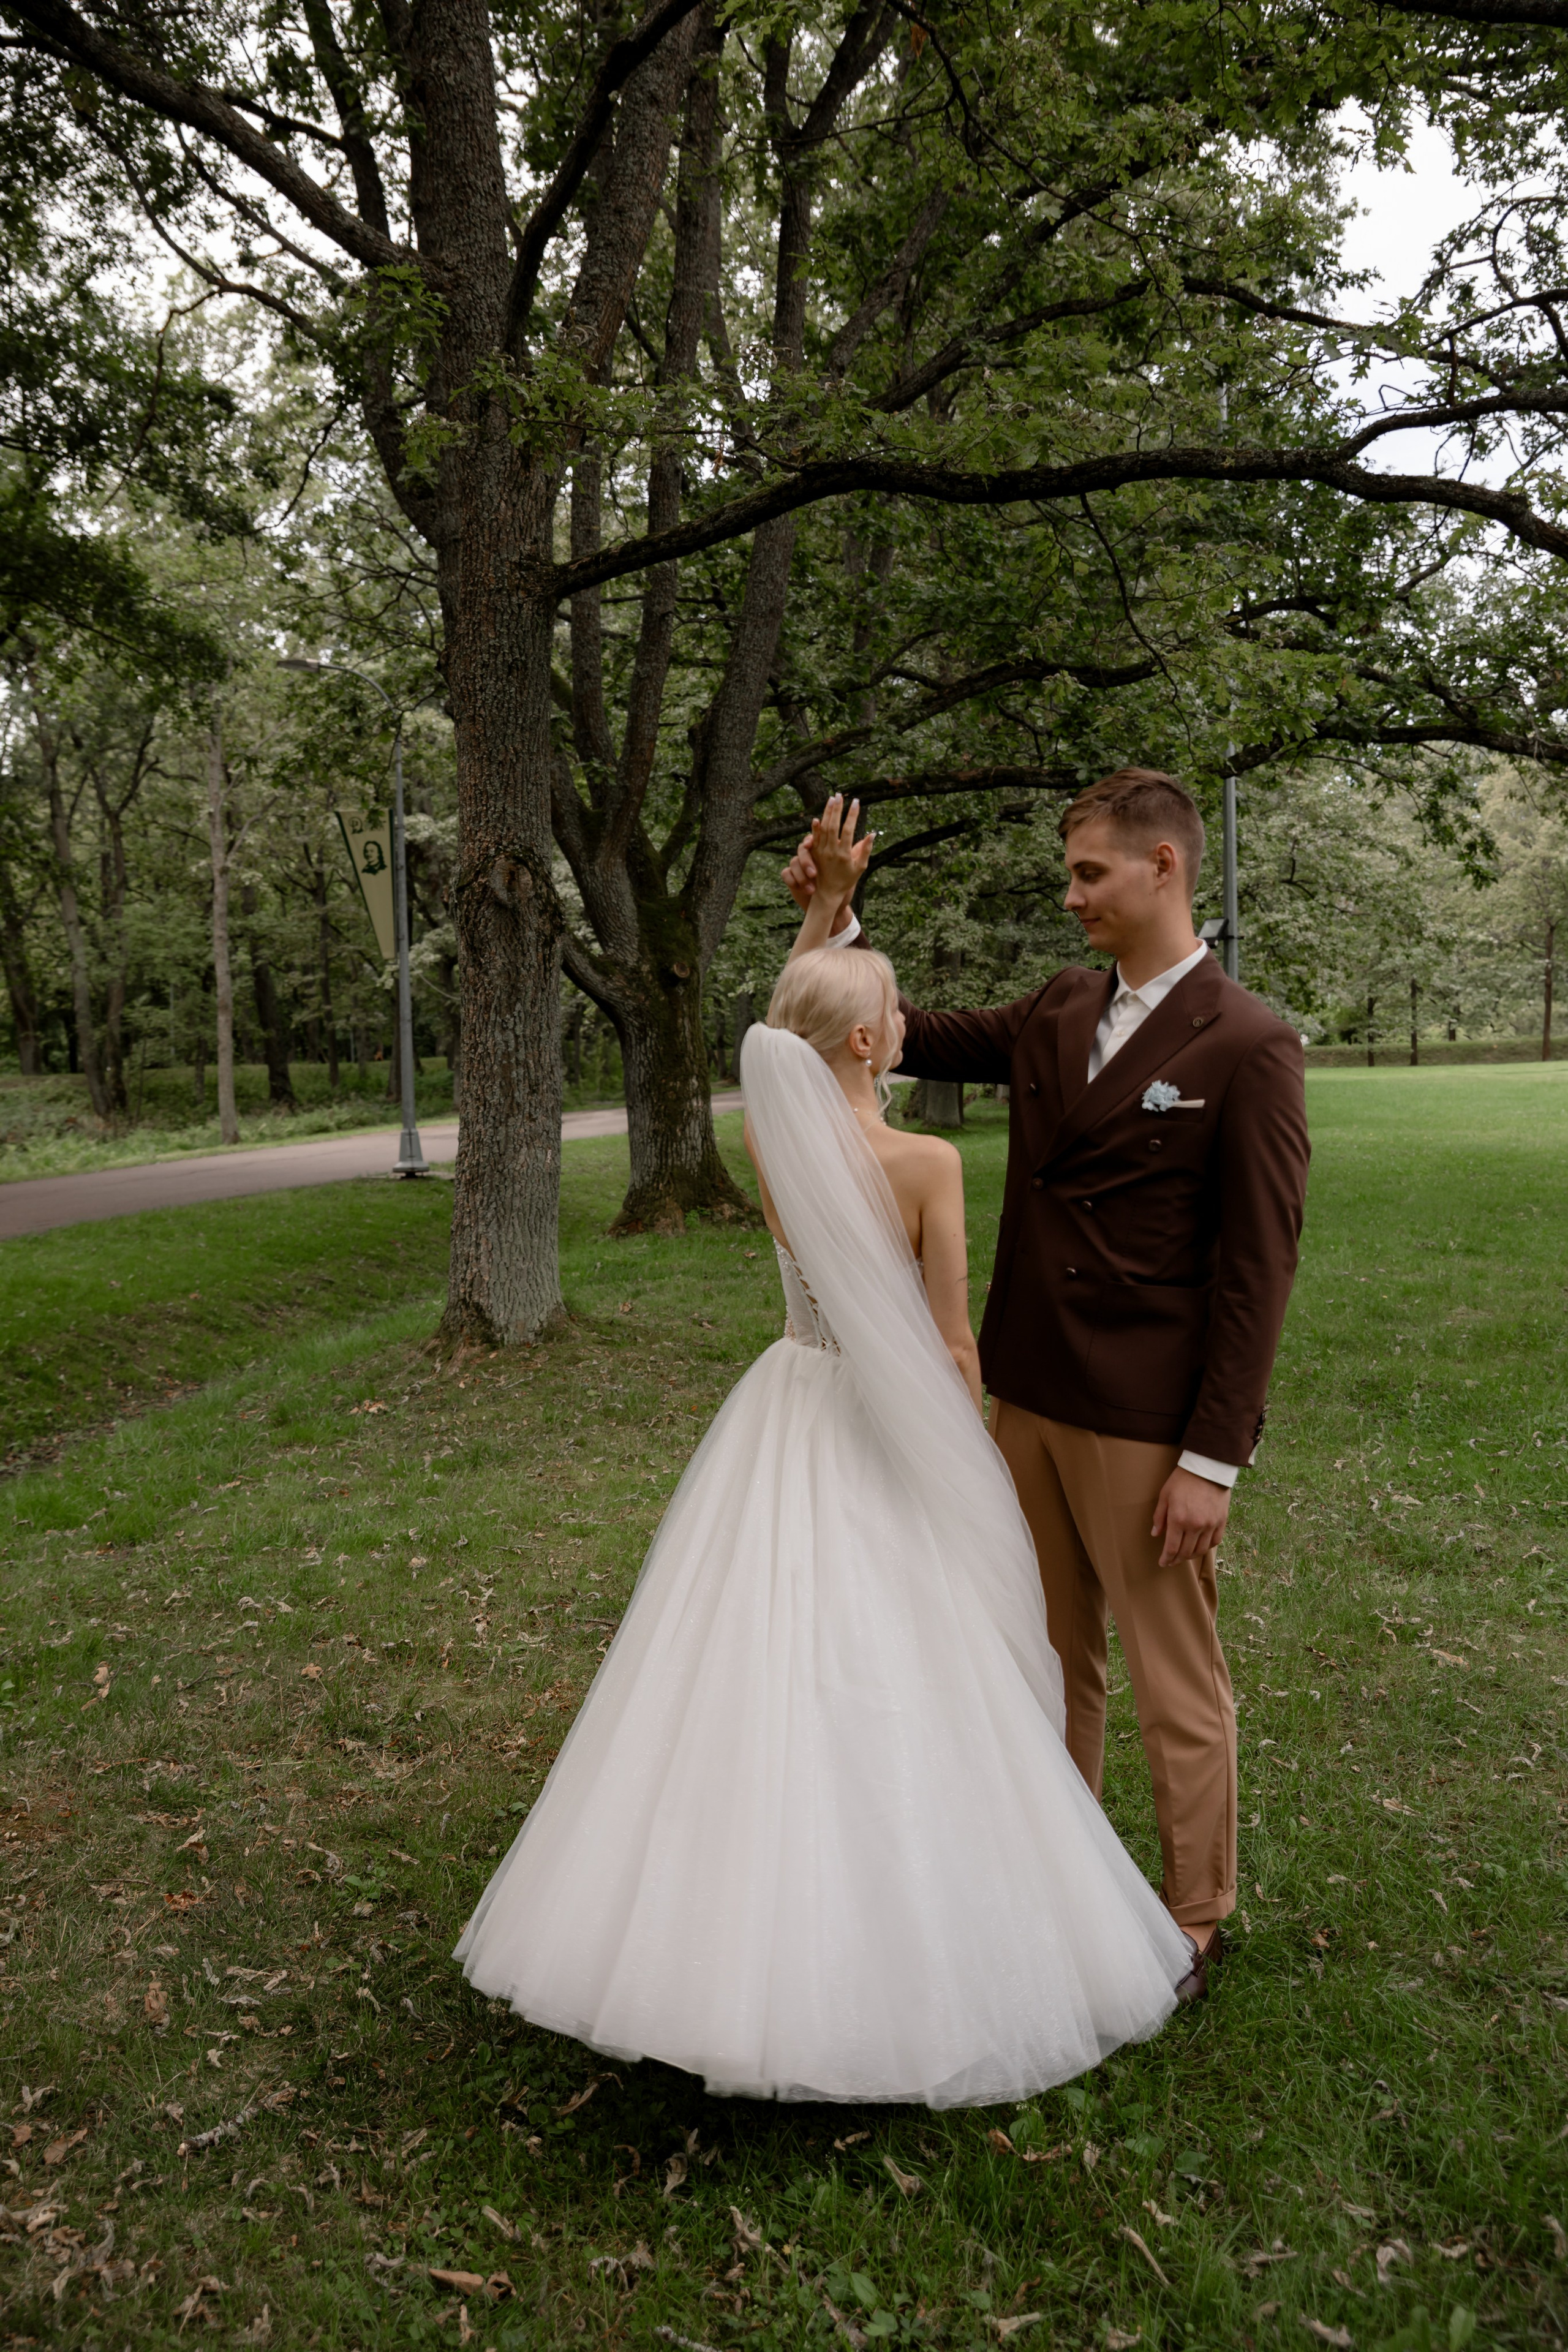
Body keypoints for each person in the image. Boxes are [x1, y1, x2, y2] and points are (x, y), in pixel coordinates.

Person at [454, 917, 1191, 2105]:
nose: (909, 1025)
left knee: (747, 1660)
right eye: (895, 1010)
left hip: (788, 1398)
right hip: (879, 1415)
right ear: (865, 1040)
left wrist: (821, 932)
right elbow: (949, 1340)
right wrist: (963, 1454)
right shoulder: (925, 1166)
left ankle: (711, 1947)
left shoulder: (771, 1143)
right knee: (904, 1655)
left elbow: (788, 1056)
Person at [786, 771, 1310, 2000]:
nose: (1069, 893)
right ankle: (1055, 1882)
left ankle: (1192, 1918)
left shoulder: (1246, 1041)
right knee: (1040, 1652)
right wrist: (836, 921)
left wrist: (1209, 1457)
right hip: (1019, 1393)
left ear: (1162, 869)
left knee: (1172, 1676)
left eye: (1087, 873)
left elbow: (1256, 1268)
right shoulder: (1060, 1005)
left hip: (1141, 1416)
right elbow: (890, 1036)